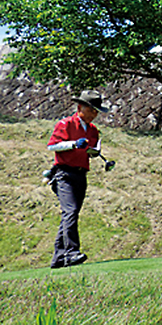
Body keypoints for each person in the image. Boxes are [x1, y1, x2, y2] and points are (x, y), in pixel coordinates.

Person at [46, 89, 109, 269]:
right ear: (80, 107)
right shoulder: (65, 124)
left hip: (81, 174)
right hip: (63, 173)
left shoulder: (93, 130)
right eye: (92, 110)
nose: (95, 114)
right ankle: (71, 252)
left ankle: (59, 258)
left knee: (70, 214)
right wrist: (73, 144)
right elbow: (52, 146)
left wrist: (94, 153)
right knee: (70, 211)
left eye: (97, 111)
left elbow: (91, 151)